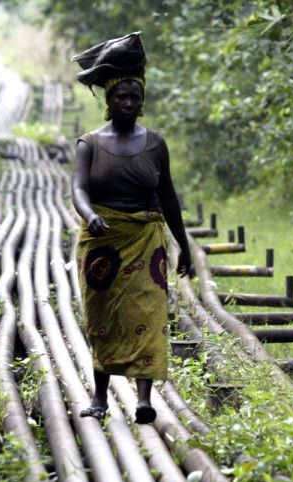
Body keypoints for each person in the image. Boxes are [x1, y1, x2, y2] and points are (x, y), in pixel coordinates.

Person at [70, 33, 193, 424]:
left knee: (148, 312)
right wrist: (90, 216)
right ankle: (101, 398)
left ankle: (143, 400)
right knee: (102, 316)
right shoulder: (89, 144)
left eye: (134, 97)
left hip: (146, 240)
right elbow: (78, 190)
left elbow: (169, 197)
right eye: (120, 96)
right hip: (102, 242)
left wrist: (184, 244)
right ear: (108, 101)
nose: (127, 103)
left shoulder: (155, 144)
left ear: (142, 102)